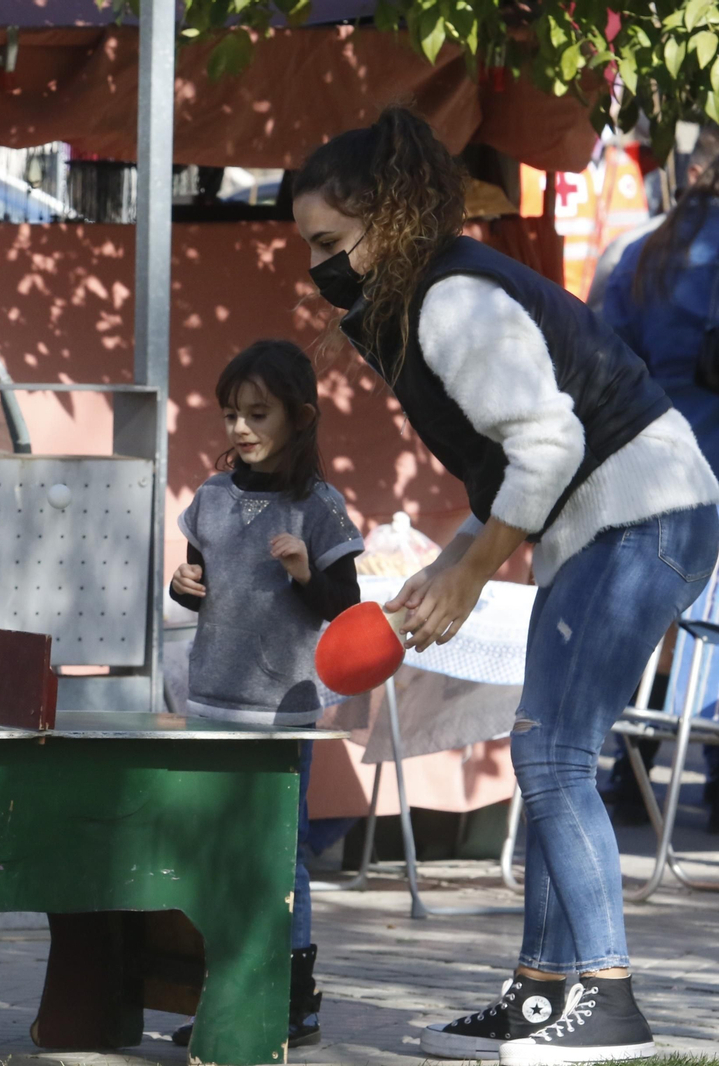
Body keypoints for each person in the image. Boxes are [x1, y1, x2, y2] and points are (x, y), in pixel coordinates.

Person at [292, 106, 719, 1065]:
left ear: (387, 219)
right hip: (626, 519)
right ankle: (542, 995)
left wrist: (473, 574)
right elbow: (509, 474)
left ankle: (607, 1001)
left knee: (552, 753)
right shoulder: (430, 295)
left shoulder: (452, 301)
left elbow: (550, 445)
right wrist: (450, 566)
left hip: (642, 515)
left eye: (328, 243)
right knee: (556, 752)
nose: (319, 268)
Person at [166, 340, 364, 1051]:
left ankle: (292, 1004)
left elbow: (345, 606)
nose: (241, 428)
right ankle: (228, 999)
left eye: (258, 413)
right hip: (210, 706)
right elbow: (199, 587)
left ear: (299, 417)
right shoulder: (211, 499)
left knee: (280, 858)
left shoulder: (319, 507)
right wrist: (183, 587)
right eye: (231, 415)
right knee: (217, 856)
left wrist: (307, 572)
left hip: (282, 716)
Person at [602, 124, 719, 832]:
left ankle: (630, 774)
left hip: (656, 464)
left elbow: (609, 361)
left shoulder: (643, 251)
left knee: (655, 619)